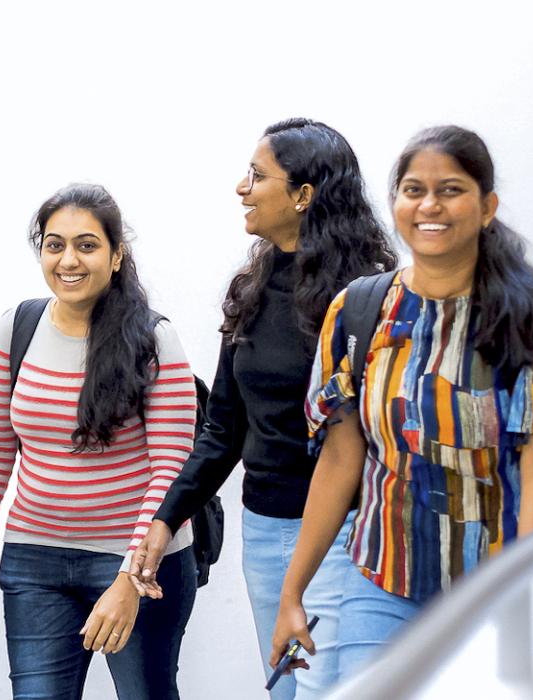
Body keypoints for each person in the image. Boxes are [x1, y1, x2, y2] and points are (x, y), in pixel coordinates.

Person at [270, 125, 533, 679]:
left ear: (487, 207)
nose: (429, 205)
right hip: (385, 577)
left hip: (498, 582)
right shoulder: (359, 311)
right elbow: (341, 460)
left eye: (451, 189)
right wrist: (292, 592)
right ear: (395, 203)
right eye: (413, 189)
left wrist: (523, 595)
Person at [132, 119, 397, 699]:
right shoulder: (254, 287)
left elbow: (363, 441)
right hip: (264, 530)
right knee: (285, 691)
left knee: (328, 689)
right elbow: (223, 427)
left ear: (303, 196)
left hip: (344, 533)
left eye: (257, 175)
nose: (241, 188)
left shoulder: (365, 299)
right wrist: (165, 518)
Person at [0, 183, 199, 699]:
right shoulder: (15, 329)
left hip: (135, 561)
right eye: (54, 244)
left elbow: (172, 466)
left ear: (116, 255)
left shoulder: (154, 339)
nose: (69, 260)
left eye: (87, 245)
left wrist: (130, 579)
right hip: (34, 562)